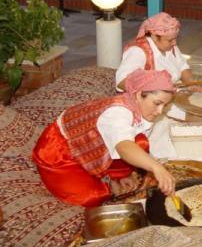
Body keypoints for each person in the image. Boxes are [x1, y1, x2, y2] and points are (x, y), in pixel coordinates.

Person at [32, 69, 177, 207]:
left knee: (141, 143)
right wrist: (156, 167)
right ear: (139, 94)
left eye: (165, 105)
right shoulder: (116, 113)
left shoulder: (137, 106)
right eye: (157, 103)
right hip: (60, 151)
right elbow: (124, 147)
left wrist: (123, 175)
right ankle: (102, 180)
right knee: (93, 196)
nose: (160, 111)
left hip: (90, 145)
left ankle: (116, 175)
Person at [116, 12, 194, 90]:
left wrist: (191, 83)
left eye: (175, 38)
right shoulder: (138, 51)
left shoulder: (170, 46)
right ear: (154, 37)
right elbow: (121, 81)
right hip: (148, 99)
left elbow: (182, 66)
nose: (174, 43)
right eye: (170, 40)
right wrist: (154, 88)